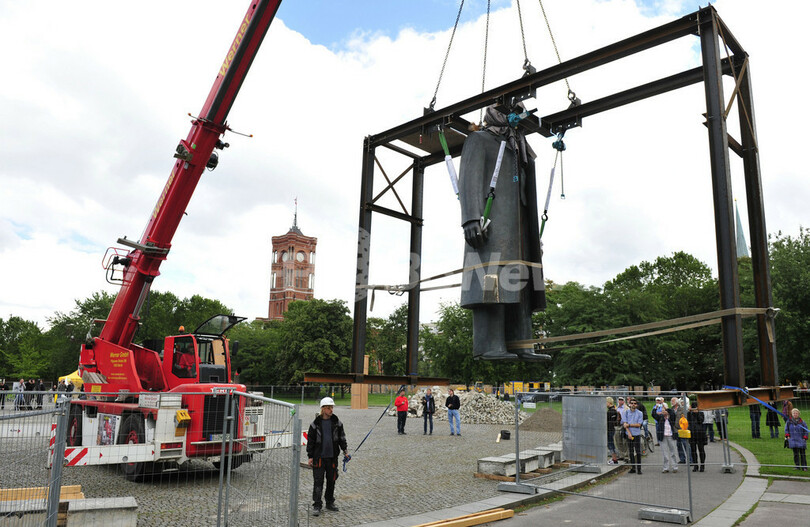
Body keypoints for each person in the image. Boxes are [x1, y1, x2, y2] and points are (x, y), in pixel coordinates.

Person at [458, 105, 547, 361]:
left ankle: (522, 343)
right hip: (492, 224)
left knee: (523, 284)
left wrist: (533, 235)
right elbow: (469, 180)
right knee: (492, 282)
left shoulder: (520, 150)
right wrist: (471, 218)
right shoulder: (479, 140)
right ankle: (489, 345)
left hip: (519, 227)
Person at [306, 397, 348, 516]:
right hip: (319, 458)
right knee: (318, 482)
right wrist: (310, 456)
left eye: (332, 408)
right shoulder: (314, 425)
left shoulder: (337, 423)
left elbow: (342, 438)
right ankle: (317, 505)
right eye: (329, 408)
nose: (331, 410)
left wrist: (345, 451)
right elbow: (311, 442)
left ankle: (329, 502)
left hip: (332, 458)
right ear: (323, 409)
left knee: (332, 480)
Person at [653, 402, 679, 473]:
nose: (663, 411)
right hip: (663, 437)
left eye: (664, 410)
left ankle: (675, 467)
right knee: (665, 454)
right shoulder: (660, 418)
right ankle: (666, 467)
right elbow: (653, 414)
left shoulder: (671, 417)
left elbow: (672, 413)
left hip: (671, 436)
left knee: (673, 452)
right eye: (662, 410)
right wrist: (656, 408)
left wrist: (666, 408)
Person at [623, 399, 644, 474]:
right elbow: (625, 424)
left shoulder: (640, 413)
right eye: (632, 403)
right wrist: (629, 433)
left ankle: (639, 468)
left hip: (636, 434)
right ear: (629, 404)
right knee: (631, 451)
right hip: (629, 434)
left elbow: (638, 424)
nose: (633, 405)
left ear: (637, 405)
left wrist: (629, 425)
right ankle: (633, 468)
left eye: (635, 403)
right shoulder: (626, 412)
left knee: (638, 452)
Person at [687, 403, 707, 472]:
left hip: (700, 434)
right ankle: (695, 465)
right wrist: (690, 411)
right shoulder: (690, 414)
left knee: (701, 450)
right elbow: (688, 421)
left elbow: (700, 421)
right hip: (692, 434)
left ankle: (702, 465)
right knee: (693, 450)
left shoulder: (701, 413)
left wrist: (697, 413)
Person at [670, 398, 687, 463]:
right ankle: (682, 459)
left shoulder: (682, 409)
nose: (671, 402)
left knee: (685, 444)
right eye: (671, 401)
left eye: (673, 401)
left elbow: (685, 419)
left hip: (682, 429)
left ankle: (690, 460)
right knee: (678, 445)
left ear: (676, 402)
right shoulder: (671, 409)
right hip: (675, 430)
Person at [613, 397, 629, 461]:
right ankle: (621, 454)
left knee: (625, 441)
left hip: (624, 425)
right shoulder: (616, 408)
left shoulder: (626, 408)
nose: (620, 401)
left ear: (624, 401)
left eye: (621, 400)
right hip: (617, 425)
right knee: (618, 440)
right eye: (619, 400)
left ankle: (626, 455)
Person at [606, 397, 619, 464]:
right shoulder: (614, 410)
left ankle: (614, 459)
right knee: (611, 444)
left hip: (609, 429)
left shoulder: (610, 411)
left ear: (609, 402)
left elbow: (607, 421)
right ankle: (614, 458)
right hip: (612, 429)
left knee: (610, 444)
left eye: (606, 402)